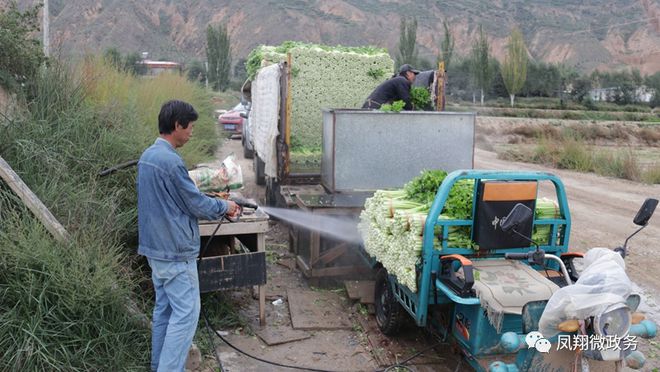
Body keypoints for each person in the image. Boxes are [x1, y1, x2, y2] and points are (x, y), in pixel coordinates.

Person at [137, 100, 239, 372]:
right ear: (177, 125)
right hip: (176, 252)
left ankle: (159, 366)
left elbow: (175, 200)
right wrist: (224, 206)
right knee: (185, 315)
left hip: (155, 251)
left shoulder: (148, 156)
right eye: (190, 127)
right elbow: (195, 204)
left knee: (165, 312)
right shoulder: (171, 162)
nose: (191, 132)